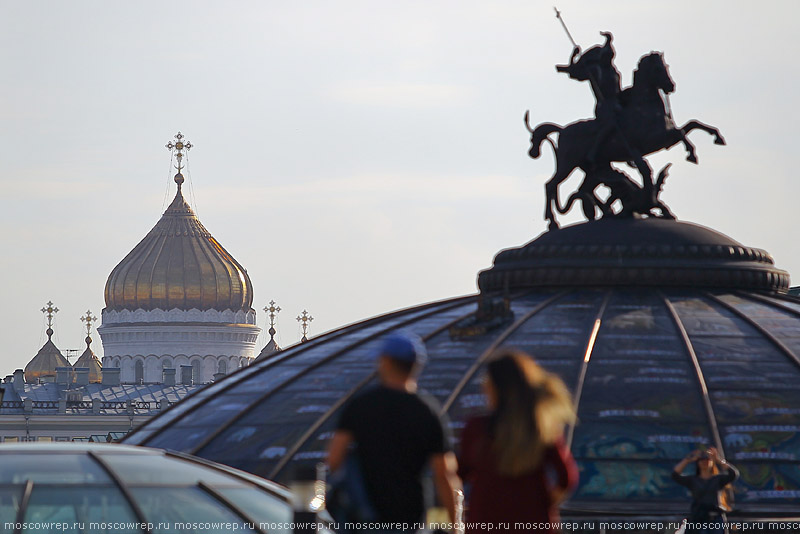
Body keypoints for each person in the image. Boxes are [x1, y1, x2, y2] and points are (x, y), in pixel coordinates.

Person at [327, 332, 461, 532]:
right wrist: (455, 526)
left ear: (386, 362)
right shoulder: (428, 411)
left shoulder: (361, 405)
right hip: (410, 520)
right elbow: (444, 474)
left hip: (365, 516)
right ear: (416, 366)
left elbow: (334, 459)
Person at [458, 349, 578, 534]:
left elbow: (459, 473)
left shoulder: (476, 429)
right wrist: (543, 500)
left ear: (494, 387)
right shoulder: (541, 427)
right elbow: (566, 478)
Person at [672, 447, 739, 533]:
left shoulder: (718, 479)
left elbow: (733, 474)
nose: (705, 462)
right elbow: (675, 475)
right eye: (702, 460)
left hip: (715, 517)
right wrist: (687, 460)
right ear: (698, 463)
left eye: (707, 459)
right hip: (699, 517)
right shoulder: (693, 480)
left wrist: (719, 460)